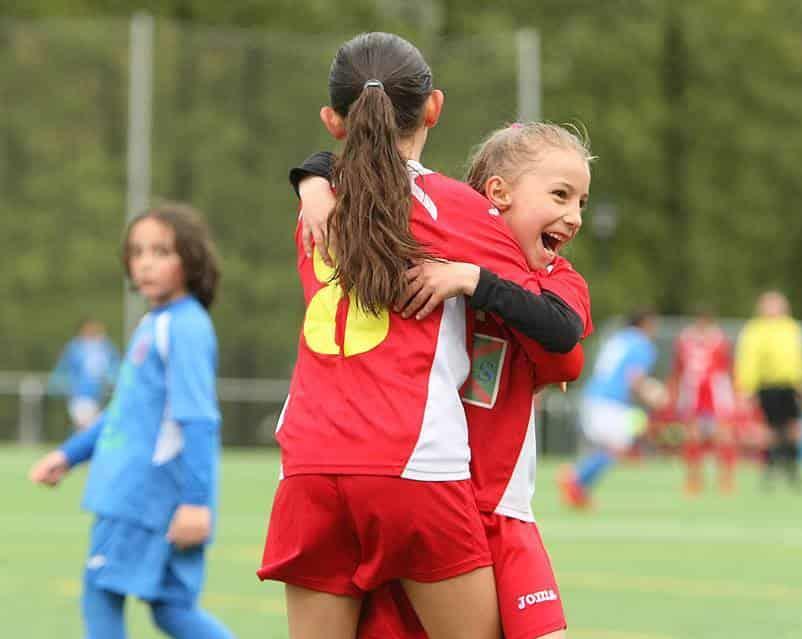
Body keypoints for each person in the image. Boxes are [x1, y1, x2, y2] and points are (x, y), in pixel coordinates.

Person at [257, 33, 587, 639]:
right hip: (410, 462)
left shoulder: (316, 208)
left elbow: (341, 173)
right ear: (433, 108)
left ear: (333, 120)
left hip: (306, 464)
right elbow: (557, 326)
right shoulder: (452, 208)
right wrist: (475, 280)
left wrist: (310, 176)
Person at [28, 203, 233, 639]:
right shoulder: (156, 322)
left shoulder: (182, 327)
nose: (145, 263)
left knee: (100, 592)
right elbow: (124, 411)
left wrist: (196, 502)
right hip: (155, 496)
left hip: (142, 496)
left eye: (161, 251)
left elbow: (198, 419)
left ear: (191, 259)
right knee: (171, 609)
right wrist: (69, 454)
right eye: (137, 252)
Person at [559, 309, 666, 509]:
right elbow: (634, 378)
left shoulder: (617, 338)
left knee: (609, 447)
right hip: (609, 402)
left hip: (593, 397)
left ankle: (578, 488)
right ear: (645, 324)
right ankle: (574, 477)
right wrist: (654, 394)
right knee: (616, 447)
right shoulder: (641, 343)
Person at [734, 290, 802, 490]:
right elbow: (748, 359)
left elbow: (799, 357)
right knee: (769, 428)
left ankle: (792, 467)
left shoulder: (791, 328)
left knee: (793, 426)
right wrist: (746, 387)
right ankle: (770, 467)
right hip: (767, 385)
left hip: (790, 384)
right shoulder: (755, 330)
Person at [669, 310, 738, 494]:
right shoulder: (685, 339)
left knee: (724, 434)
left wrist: (735, 391)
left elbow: (727, 365)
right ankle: (693, 479)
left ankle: (726, 479)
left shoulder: (719, 339)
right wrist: (675, 390)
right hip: (693, 390)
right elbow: (678, 367)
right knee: (693, 435)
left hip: (716, 390)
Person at [48, 318, 120, 430]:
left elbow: (115, 368)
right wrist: (57, 386)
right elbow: (62, 370)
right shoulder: (75, 348)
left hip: (101, 398)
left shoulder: (105, 347)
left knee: (93, 430)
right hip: (81, 397)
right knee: (87, 429)